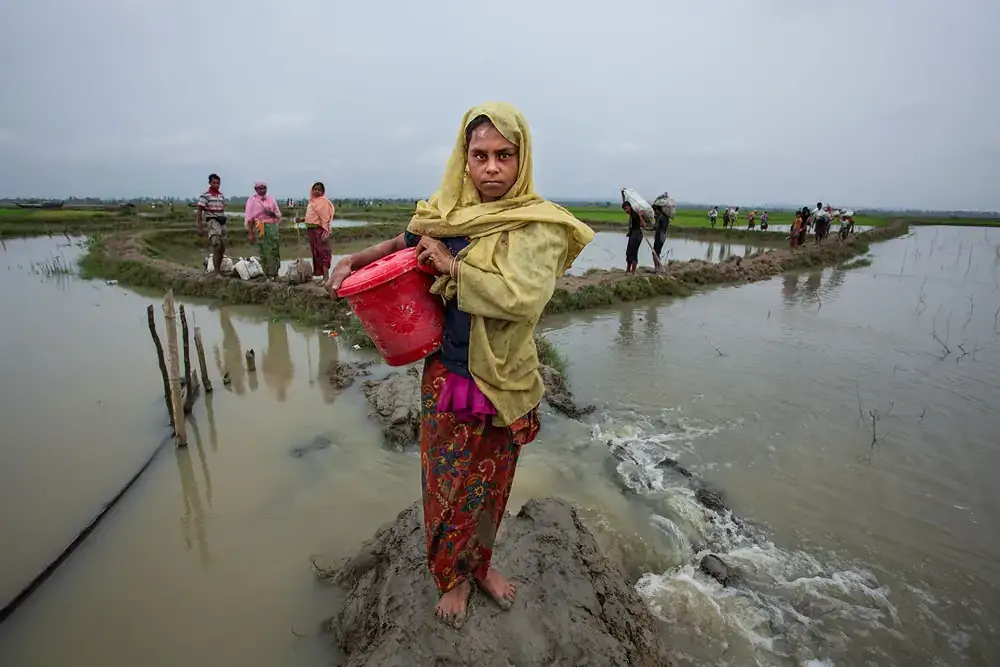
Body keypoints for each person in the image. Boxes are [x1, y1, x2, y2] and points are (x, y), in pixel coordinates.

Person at [325, 103, 593, 627]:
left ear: (522, 160)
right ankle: (453, 578)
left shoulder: (539, 227)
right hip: (448, 375)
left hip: (504, 378)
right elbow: (404, 242)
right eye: (480, 156)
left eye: (504, 155)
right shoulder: (450, 214)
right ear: (464, 160)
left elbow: (524, 299)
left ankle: (483, 565)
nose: (491, 167)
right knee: (446, 485)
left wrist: (452, 269)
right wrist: (356, 261)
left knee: (492, 486)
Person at [244, 181, 282, 279]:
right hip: (259, 225)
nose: (262, 190)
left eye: (264, 188)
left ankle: (274, 273)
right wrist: (251, 233)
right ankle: (267, 274)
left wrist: (270, 213)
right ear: (256, 189)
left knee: (273, 249)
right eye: (260, 188)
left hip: (271, 226)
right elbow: (250, 218)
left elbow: (277, 215)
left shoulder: (271, 199)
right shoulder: (252, 201)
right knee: (263, 249)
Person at [196, 173, 228, 276]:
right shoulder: (205, 195)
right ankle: (217, 272)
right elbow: (200, 211)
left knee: (223, 247)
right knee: (216, 244)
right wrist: (199, 225)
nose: (216, 185)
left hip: (222, 221)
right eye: (214, 183)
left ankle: (218, 269)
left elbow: (222, 209)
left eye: (218, 183)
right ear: (210, 183)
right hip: (212, 220)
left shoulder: (221, 195)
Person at [305, 181, 335, 283]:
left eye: (319, 190)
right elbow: (312, 217)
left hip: (319, 231)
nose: (317, 191)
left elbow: (325, 218)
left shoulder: (323, 202)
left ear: (323, 192)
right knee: (316, 252)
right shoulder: (312, 201)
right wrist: (301, 219)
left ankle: (326, 278)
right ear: (312, 190)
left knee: (323, 252)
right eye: (315, 189)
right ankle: (322, 276)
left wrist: (326, 232)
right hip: (311, 230)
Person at [623, 200, 644, 275]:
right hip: (633, 235)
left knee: (633, 253)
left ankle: (633, 272)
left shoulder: (635, 214)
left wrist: (640, 216)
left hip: (637, 235)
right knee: (628, 252)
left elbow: (643, 225)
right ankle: (628, 269)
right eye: (624, 209)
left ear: (630, 207)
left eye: (626, 208)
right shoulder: (631, 214)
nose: (626, 210)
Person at [651, 193, 672, 257]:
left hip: (659, 236)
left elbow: (655, 227)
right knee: (657, 252)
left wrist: (647, 225)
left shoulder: (661, 217)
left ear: (658, 210)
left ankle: (657, 266)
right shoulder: (666, 217)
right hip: (663, 236)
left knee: (654, 253)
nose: (655, 212)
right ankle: (658, 266)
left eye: (655, 210)